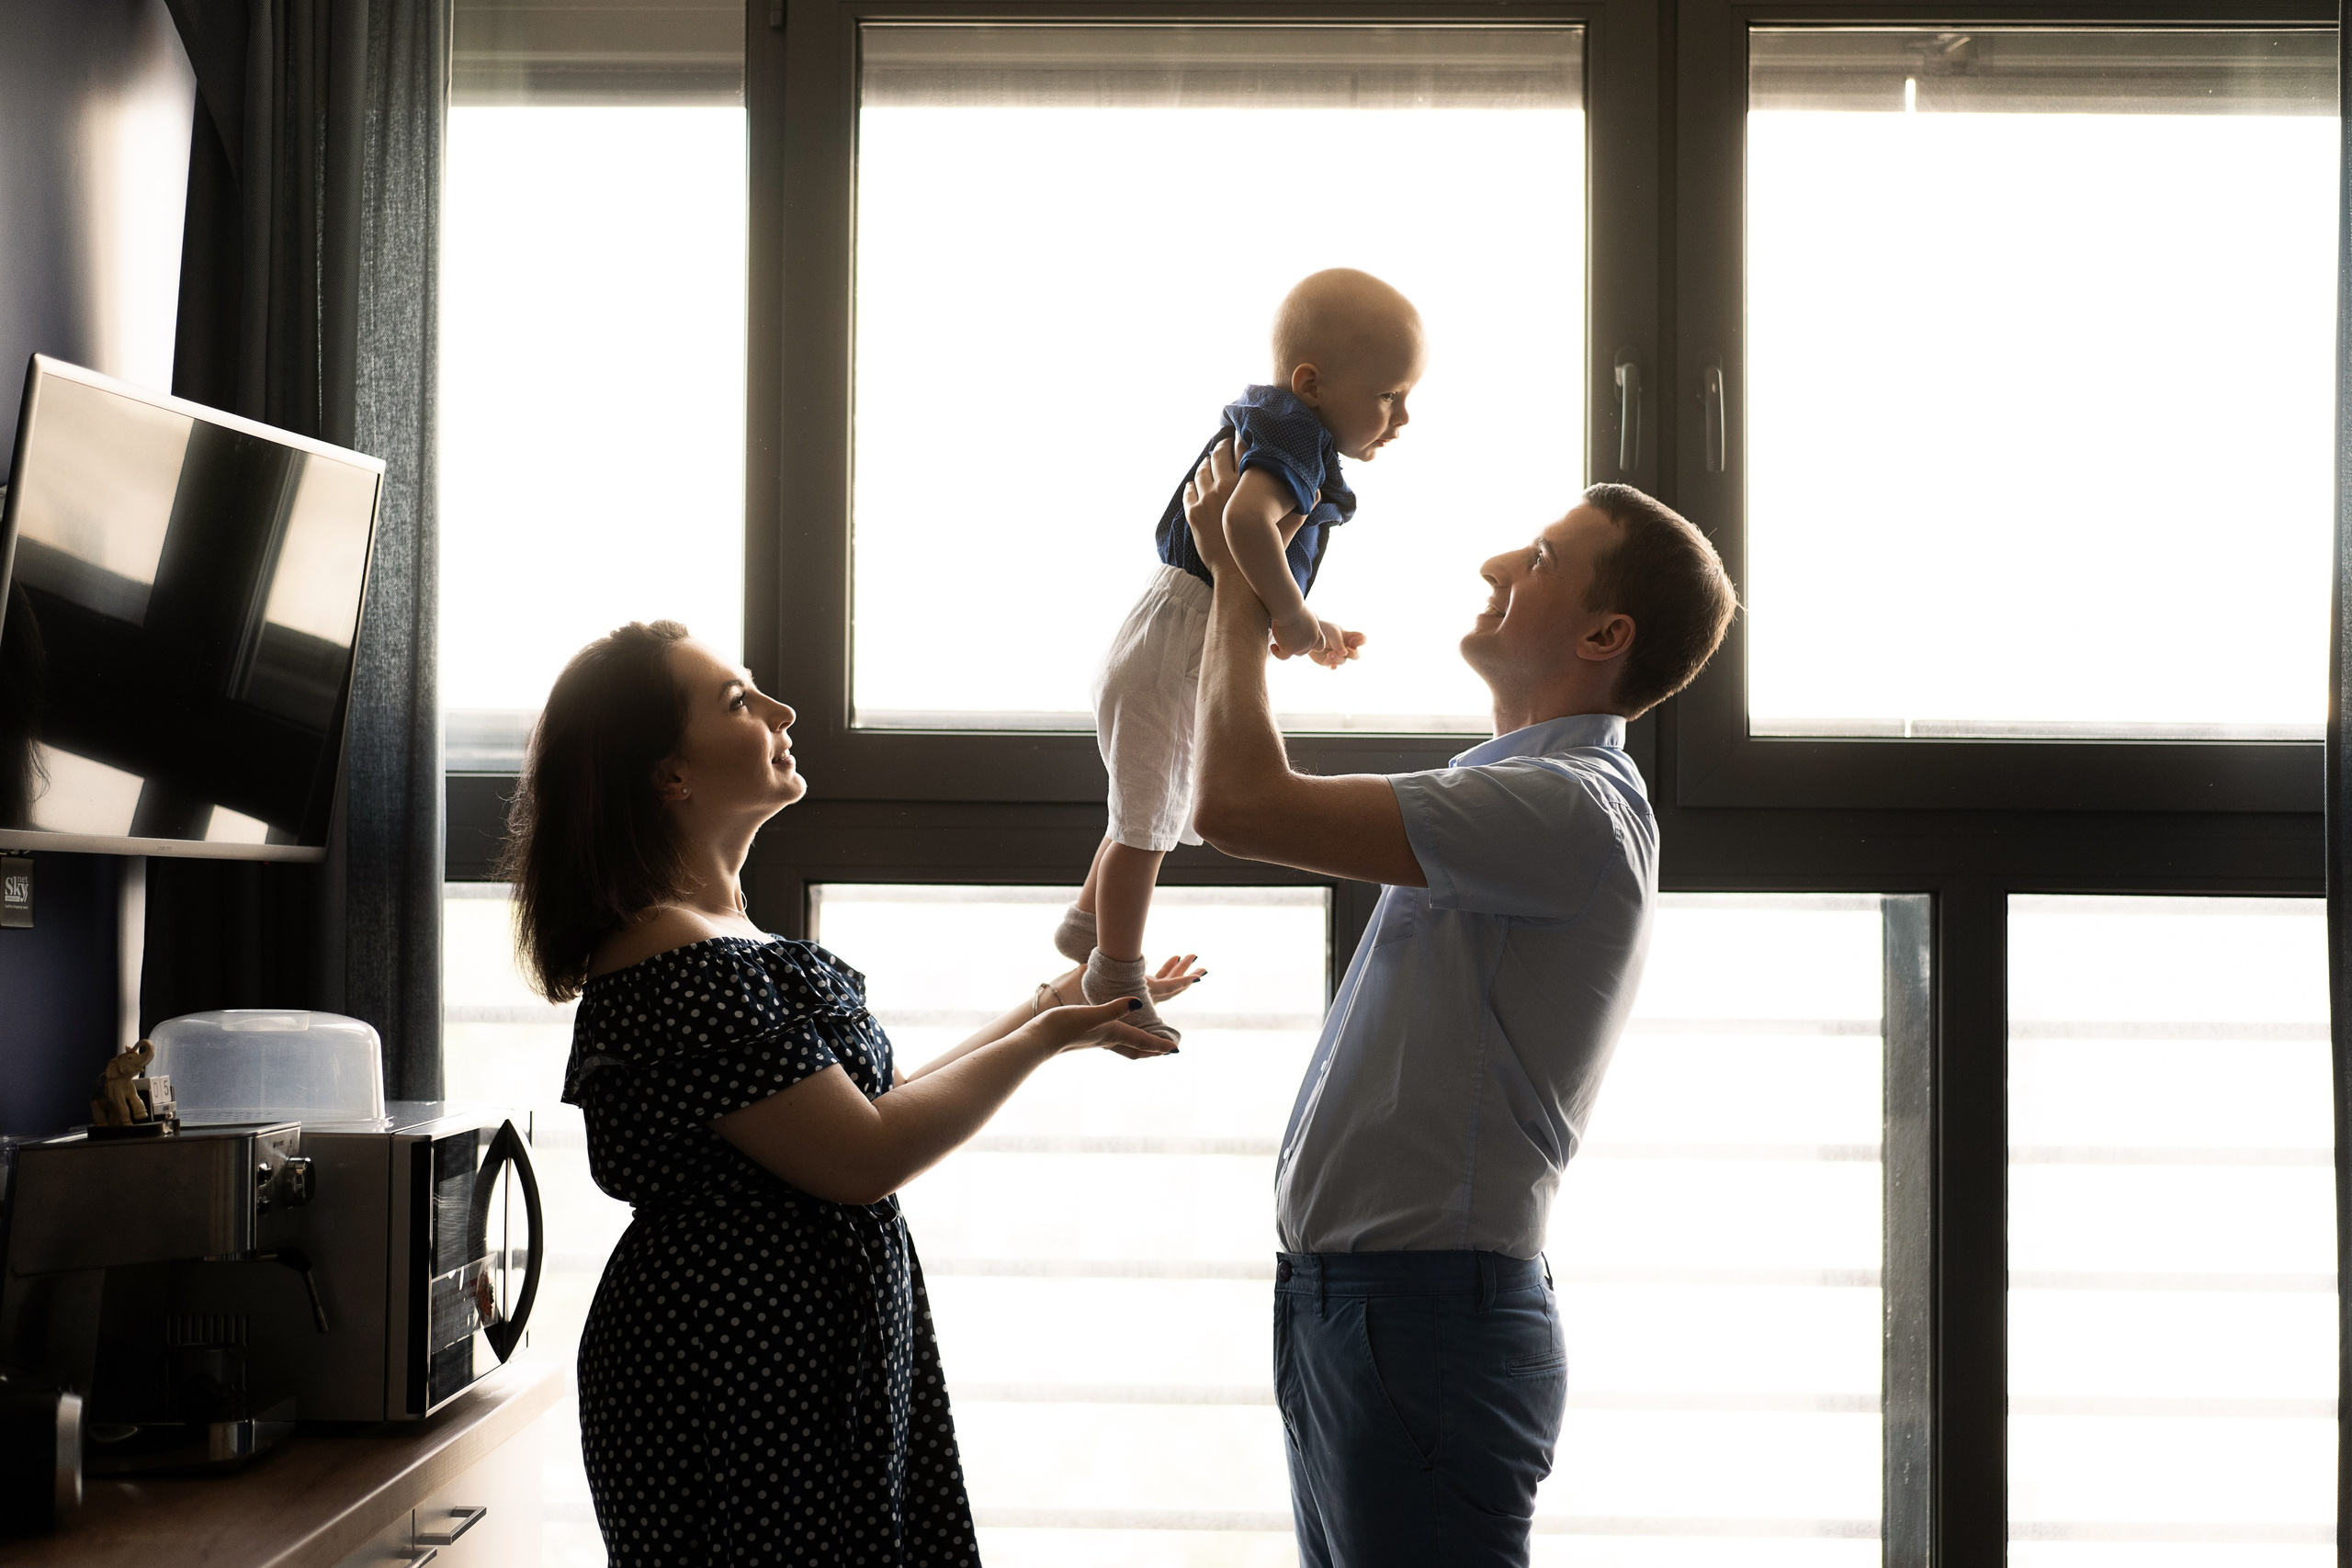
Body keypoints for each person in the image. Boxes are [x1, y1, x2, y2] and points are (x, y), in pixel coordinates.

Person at [498, 620, 1188, 1567]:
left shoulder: (717, 935)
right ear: (670, 776)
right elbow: (864, 1158)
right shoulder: (669, 956)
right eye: (739, 701)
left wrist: (1054, 1002)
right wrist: (1046, 1037)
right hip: (733, 1372)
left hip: (804, 1358)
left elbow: (881, 1102)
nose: (781, 710)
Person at [1181, 444, 1736, 1566]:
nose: (1495, 563)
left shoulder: (1561, 806)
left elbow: (1236, 804)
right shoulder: (1513, 794)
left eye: (1536, 559)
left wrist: (1246, 581)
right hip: (1361, 1310)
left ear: (1601, 637)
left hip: (1419, 1318)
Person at [1054, 268, 1424, 1042]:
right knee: (1146, 825)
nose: (1403, 417)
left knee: (1146, 796)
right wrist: (1289, 614)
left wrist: (1309, 625)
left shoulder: (1284, 424)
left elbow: (1252, 559)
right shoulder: (1293, 434)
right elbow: (1246, 527)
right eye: (1389, 394)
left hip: (1171, 627)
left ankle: (1088, 922)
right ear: (1312, 381)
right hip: (1180, 639)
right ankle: (1114, 973)